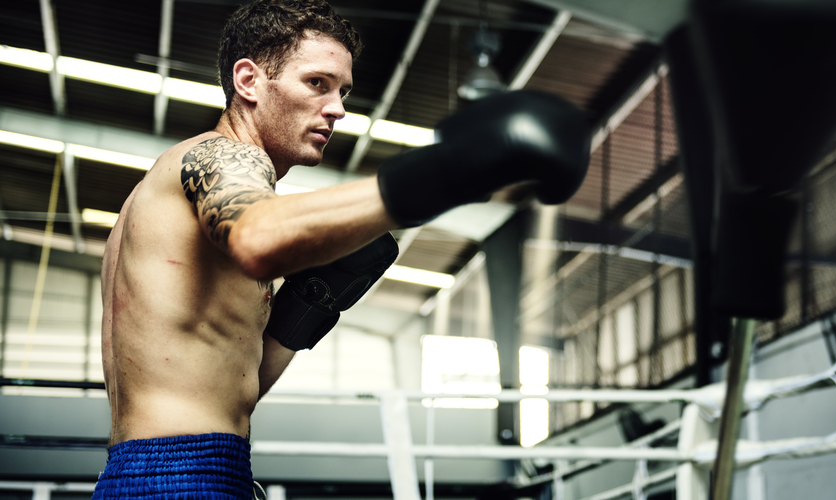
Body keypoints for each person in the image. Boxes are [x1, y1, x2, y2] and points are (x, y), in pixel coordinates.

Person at [94, 0, 590, 498]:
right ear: (248, 81)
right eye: (317, 83)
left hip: (171, 469)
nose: (337, 109)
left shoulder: (151, 200)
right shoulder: (218, 155)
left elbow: (227, 388)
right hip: (181, 475)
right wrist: (456, 169)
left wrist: (305, 307)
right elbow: (257, 239)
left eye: (342, 91)